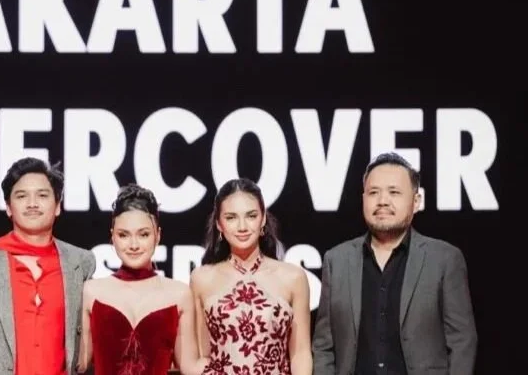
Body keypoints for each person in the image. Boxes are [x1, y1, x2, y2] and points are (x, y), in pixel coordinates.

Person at [312, 152, 478, 375]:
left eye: (394, 192)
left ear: (416, 202)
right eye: (373, 192)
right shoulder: (337, 261)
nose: (382, 201)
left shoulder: (445, 259)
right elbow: (324, 346)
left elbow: (462, 341)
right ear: (363, 199)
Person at [0, 157, 97, 375]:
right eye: (22, 196)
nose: (32, 204)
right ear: (8, 207)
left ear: (57, 206)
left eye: (42, 195)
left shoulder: (80, 262)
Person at [77, 184, 209, 375]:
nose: (133, 245)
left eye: (143, 234)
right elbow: (78, 364)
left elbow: (191, 368)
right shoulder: (91, 291)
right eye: (123, 235)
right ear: (112, 237)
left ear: (158, 235)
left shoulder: (179, 294)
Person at [190, 178, 312, 375]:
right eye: (231, 217)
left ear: (263, 219)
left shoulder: (293, 277)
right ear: (219, 224)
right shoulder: (201, 279)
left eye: (251, 216)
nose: (242, 227)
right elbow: (203, 356)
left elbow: (300, 354)